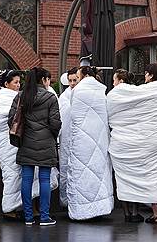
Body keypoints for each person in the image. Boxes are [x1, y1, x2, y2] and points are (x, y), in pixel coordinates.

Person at [107, 62, 157, 224]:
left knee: (150, 175)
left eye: (146, 73)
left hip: (149, 140)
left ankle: (156, 213)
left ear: (152, 75)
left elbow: (118, 96)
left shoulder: (144, 90)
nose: (144, 76)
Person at [8, 67, 61, 226]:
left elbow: (12, 120)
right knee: (44, 179)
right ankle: (44, 217)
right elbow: (55, 123)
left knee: (27, 179)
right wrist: (51, 135)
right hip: (46, 142)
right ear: (43, 80)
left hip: (26, 143)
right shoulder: (51, 98)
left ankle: (28, 217)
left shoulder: (20, 97)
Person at [64, 66, 114, 220]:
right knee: (99, 171)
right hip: (100, 139)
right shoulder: (101, 91)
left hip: (82, 140)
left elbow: (73, 115)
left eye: (77, 77)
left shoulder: (77, 91)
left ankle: (82, 210)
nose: (76, 81)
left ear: (84, 76)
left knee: (81, 171)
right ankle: (102, 206)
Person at [111, 69, 144, 223]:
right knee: (136, 178)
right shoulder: (138, 94)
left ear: (121, 81)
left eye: (114, 80)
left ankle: (126, 213)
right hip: (136, 141)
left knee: (122, 179)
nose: (113, 83)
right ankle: (136, 212)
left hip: (119, 141)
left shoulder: (112, 95)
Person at [0, 70, 24, 219]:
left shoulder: (16, 97)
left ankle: (16, 206)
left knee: (16, 173)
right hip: (6, 142)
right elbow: (2, 119)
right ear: (6, 84)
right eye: (15, 82)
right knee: (11, 173)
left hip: (15, 142)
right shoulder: (3, 98)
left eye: (19, 82)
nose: (18, 85)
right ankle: (9, 208)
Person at [58, 66, 79, 207]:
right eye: (70, 80)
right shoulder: (64, 97)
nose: (72, 83)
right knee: (65, 168)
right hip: (66, 138)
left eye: (75, 80)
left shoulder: (82, 95)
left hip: (78, 138)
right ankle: (66, 199)